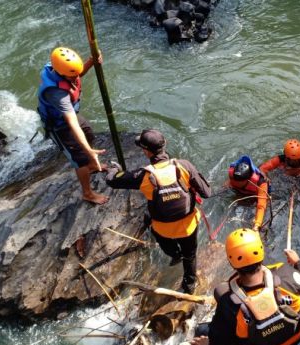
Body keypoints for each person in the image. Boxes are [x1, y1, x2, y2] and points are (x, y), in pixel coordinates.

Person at [190, 228, 300, 345]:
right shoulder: (287, 274)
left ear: (232, 262)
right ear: (261, 252)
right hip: (296, 336)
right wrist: (298, 264)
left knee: (202, 330)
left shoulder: (229, 302)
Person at [106, 129, 212, 294]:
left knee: (151, 221)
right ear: (165, 145)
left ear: (146, 151)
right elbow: (207, 192)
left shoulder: (142, 175)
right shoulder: (184, 165)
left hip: (163, 228)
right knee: (190, 255)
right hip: (188, 225)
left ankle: (174, 254)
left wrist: (114, 169)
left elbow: (112, 181)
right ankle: (189, 286)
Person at [37, 46, 108, 205]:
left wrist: (91, 61)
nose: (76, 76)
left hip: (71, 114)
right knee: (80, 158)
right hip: (59, 124)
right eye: (72, 75)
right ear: (62, 74)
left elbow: (77, 73)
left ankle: (91, 166)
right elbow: (72, 123)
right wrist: (88, 150)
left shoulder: (59, 68)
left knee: (88, 132)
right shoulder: (57, 93)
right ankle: (87, 193)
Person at [226, 155, 269, 231]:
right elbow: (227, 184)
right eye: (236, 180)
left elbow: (261, 206)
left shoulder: (260, 183)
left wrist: (257, 224)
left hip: (254, 196)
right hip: (239, 192)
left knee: (251, 218)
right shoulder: (232, 173)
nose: (237, 183)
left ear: (248, 180)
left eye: (240, 182)